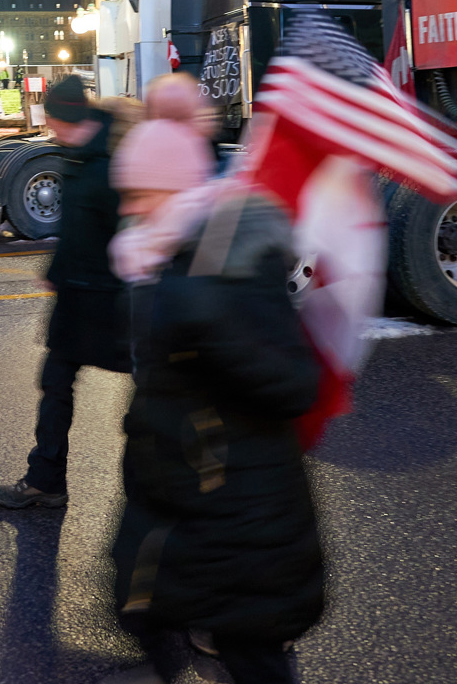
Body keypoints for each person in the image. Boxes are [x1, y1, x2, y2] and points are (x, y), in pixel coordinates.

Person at [104, 116, 324, 684]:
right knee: (144, 599)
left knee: (253, 649)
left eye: (140, 194)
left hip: (240, 512)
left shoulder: (227, 268)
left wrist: (209, 319)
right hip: (186, 497)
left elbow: (294, 384)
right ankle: (164, 667)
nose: (130, 209)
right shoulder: (170, 263)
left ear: (178, 191)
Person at [0, 75, 133, 510]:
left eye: (53, 119)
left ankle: (155, 492)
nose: (50, 128)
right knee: (54, 385)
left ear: (66, 117)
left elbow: (126, 237)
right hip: (77, 299)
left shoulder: (110, 163)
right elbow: (74, 232)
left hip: (111, 303)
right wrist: (55, 271)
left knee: (149, 396)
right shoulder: (83, 155)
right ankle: (45, 479)